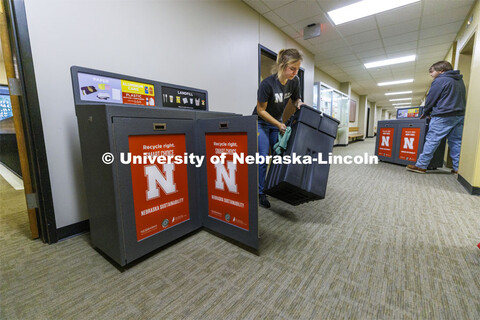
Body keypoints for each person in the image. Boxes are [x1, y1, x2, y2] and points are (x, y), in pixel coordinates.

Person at [253, 48, 304, 208]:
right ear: (282, 65)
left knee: (279, 155)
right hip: (260, 122)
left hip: (277, 122)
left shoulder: (295, 81)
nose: (295, 72)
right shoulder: (267, 84)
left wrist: (300, 104)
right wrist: (277, 124)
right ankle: (261, 193)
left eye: (297, 69)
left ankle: (274, 186)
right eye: (292, 68)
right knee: (262, 158)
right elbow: (261, 110)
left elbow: (296, 99)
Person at [406, 61, 466, 174]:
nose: (431, 74)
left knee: (432, 140)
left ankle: (421, 165)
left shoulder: (440, 80)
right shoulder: (459, 80)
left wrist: (425, 112)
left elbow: (431, 99)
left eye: (432, 72)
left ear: (441, 70)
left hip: (442, 116)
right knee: (456, 142)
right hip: (459, 116)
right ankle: (457, 168)